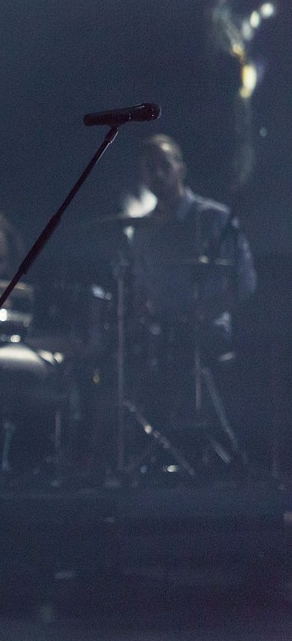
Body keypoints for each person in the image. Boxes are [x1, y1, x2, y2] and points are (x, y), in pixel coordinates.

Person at [125, 134, 256, 466]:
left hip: (208, 330)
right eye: (149, 168)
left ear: (181, 169)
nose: (157, 174)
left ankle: (229, 454)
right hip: (161, 335)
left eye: (164, 165)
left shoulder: (215, 219)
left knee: (183, 356)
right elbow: (140, 289)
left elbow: (245, 281)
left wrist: (206, 311)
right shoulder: (142, 230)